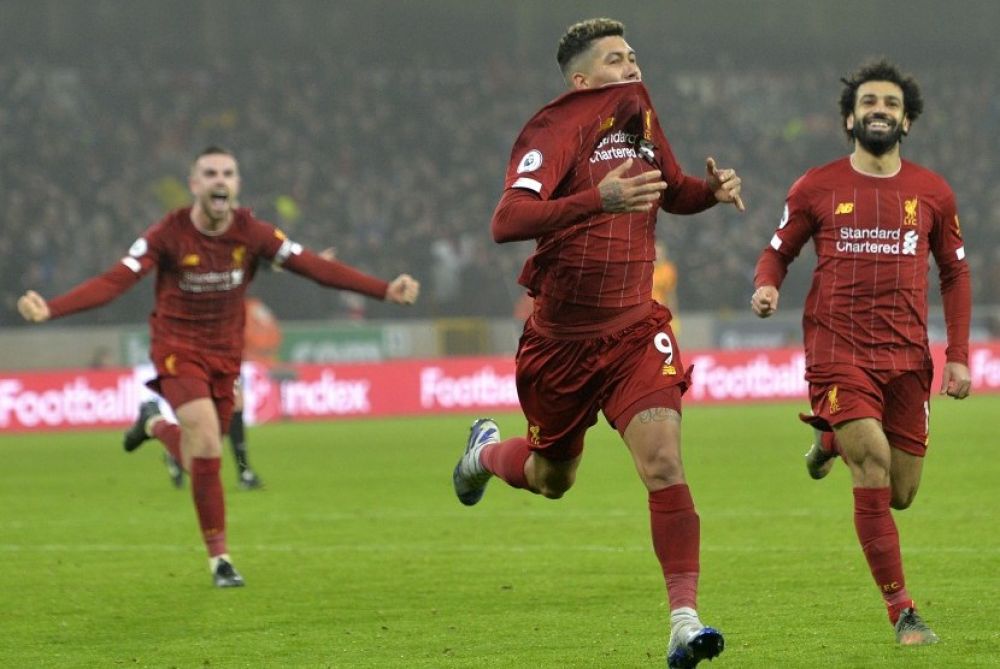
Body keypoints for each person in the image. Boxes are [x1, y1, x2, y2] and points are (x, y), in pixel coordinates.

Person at [451, 18, 744, 669]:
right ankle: (484, 453)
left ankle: (684, 620)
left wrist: (710, 194)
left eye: (634, 55)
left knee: (664, 462)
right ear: (582, 81)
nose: (632, 66)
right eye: (616, 59)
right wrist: (596, 198)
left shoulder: (640, 115)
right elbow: (506, 221)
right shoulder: (554, 129)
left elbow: (671, 189)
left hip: (636, 331)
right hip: (560, 345)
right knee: (551, 477)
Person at [18, 146, 420, 588]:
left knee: (200, 459)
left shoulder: (252, 232)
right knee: (208, 441)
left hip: (226, 355)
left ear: (237, 184)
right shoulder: (167, 234)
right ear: (194, 185)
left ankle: (152, 424)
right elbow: (115, 280)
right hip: (177, 348)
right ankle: (221, 560)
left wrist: (385, 290)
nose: (219, 180)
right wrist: (50, 309)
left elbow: (313, 267)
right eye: (209, 173)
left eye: (227, 173)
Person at [750, 60, 971, 646]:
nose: (880, 109)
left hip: (906, 357)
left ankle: (828, 439)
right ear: (850, 117)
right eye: (869, 101)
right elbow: (779, 249)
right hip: (836, 347)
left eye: (891, 104)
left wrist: (958, 354)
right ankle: (904, 613)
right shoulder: (815, 186)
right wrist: (766, 284)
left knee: (899, 493)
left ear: (907, 122)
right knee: (871, 461)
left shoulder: (932, 192)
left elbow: (954, 274)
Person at [162, 295, 278, 490]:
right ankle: (177, 455)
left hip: (224, 358)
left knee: (235, 405)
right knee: (211, 424)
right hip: (199, 360)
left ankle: (244, 472)